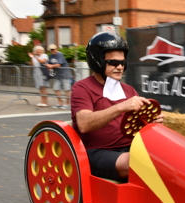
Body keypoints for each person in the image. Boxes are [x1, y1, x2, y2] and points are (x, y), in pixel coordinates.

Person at [71, 32, 163, 181]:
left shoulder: (129, 90)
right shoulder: (82, 88)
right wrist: (121, 107)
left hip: (130, 148)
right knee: (138, 162)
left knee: (169, 156)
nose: (120, 67)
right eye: (113, 63)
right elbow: (83, 124)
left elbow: (139, 126)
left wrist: (152, 123)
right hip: (97, 153)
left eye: (123, 62)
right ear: (98, 62)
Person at [47, 44, 71, 109]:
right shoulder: (51, 56)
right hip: (57, 74)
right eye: (51, 50)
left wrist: (51, 66)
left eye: (53, 49)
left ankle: (68, 104)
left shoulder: (60, 54)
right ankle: (60, 103)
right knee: (56, 88)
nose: (52, 51)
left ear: (56, 49)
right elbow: (49, 63)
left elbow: (59, 64)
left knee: (67, 89)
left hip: (65, 74)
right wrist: (47, 65)